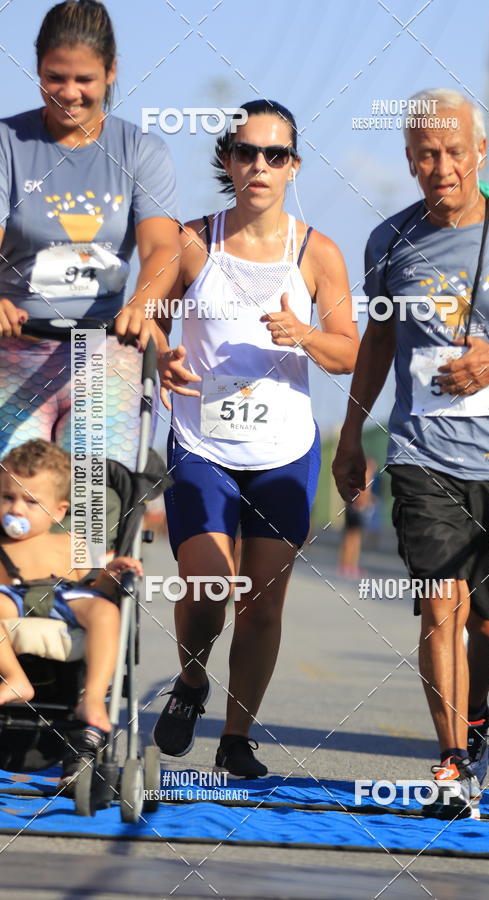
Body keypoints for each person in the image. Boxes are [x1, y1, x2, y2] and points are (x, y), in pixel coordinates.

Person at [333, 88, 489, 817]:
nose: (440, 167)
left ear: (480, 151)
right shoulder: (389, 241)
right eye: (425, 154)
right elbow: (379, 341)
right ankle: (450, 760)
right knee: (441, 604)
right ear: (409, 159)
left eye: (452, 152)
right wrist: (350, 435)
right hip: (424, 453)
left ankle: (474, 715)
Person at [151, 99, 359, 777]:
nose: (259, 165)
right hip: (203, 442)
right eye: (246, 152)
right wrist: (160, 354)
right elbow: (145, 318)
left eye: (275, 154)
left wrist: (306, 335)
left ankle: (236, 738)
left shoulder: (317, 252)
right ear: (228, 161)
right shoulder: (190, 241)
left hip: (283, 450)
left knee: (262, 603)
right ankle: (191, 679)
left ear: (294, 166)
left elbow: (348, 352)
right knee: (208, 585)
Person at [0, 0, 179, 469]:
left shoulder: (141, 149)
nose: (69, 92)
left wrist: (141, 303)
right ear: (37, 68)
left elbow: (162, 246)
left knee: (92, 501)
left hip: (104, 352)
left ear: (111, 71)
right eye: (54, 77)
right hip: (15, 350)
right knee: (21, 498)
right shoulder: (6, 144)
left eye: (85, 79)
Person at [0, 439, 143, 734]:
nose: (16, 509)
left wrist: (110, 575)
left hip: (64, 595)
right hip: (13, 596)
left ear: (58, 511)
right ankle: (15, 678)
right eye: (7, 497)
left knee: (105, 611)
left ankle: (93, 698)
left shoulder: (70, 542)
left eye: (31, 502)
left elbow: (92, 585)